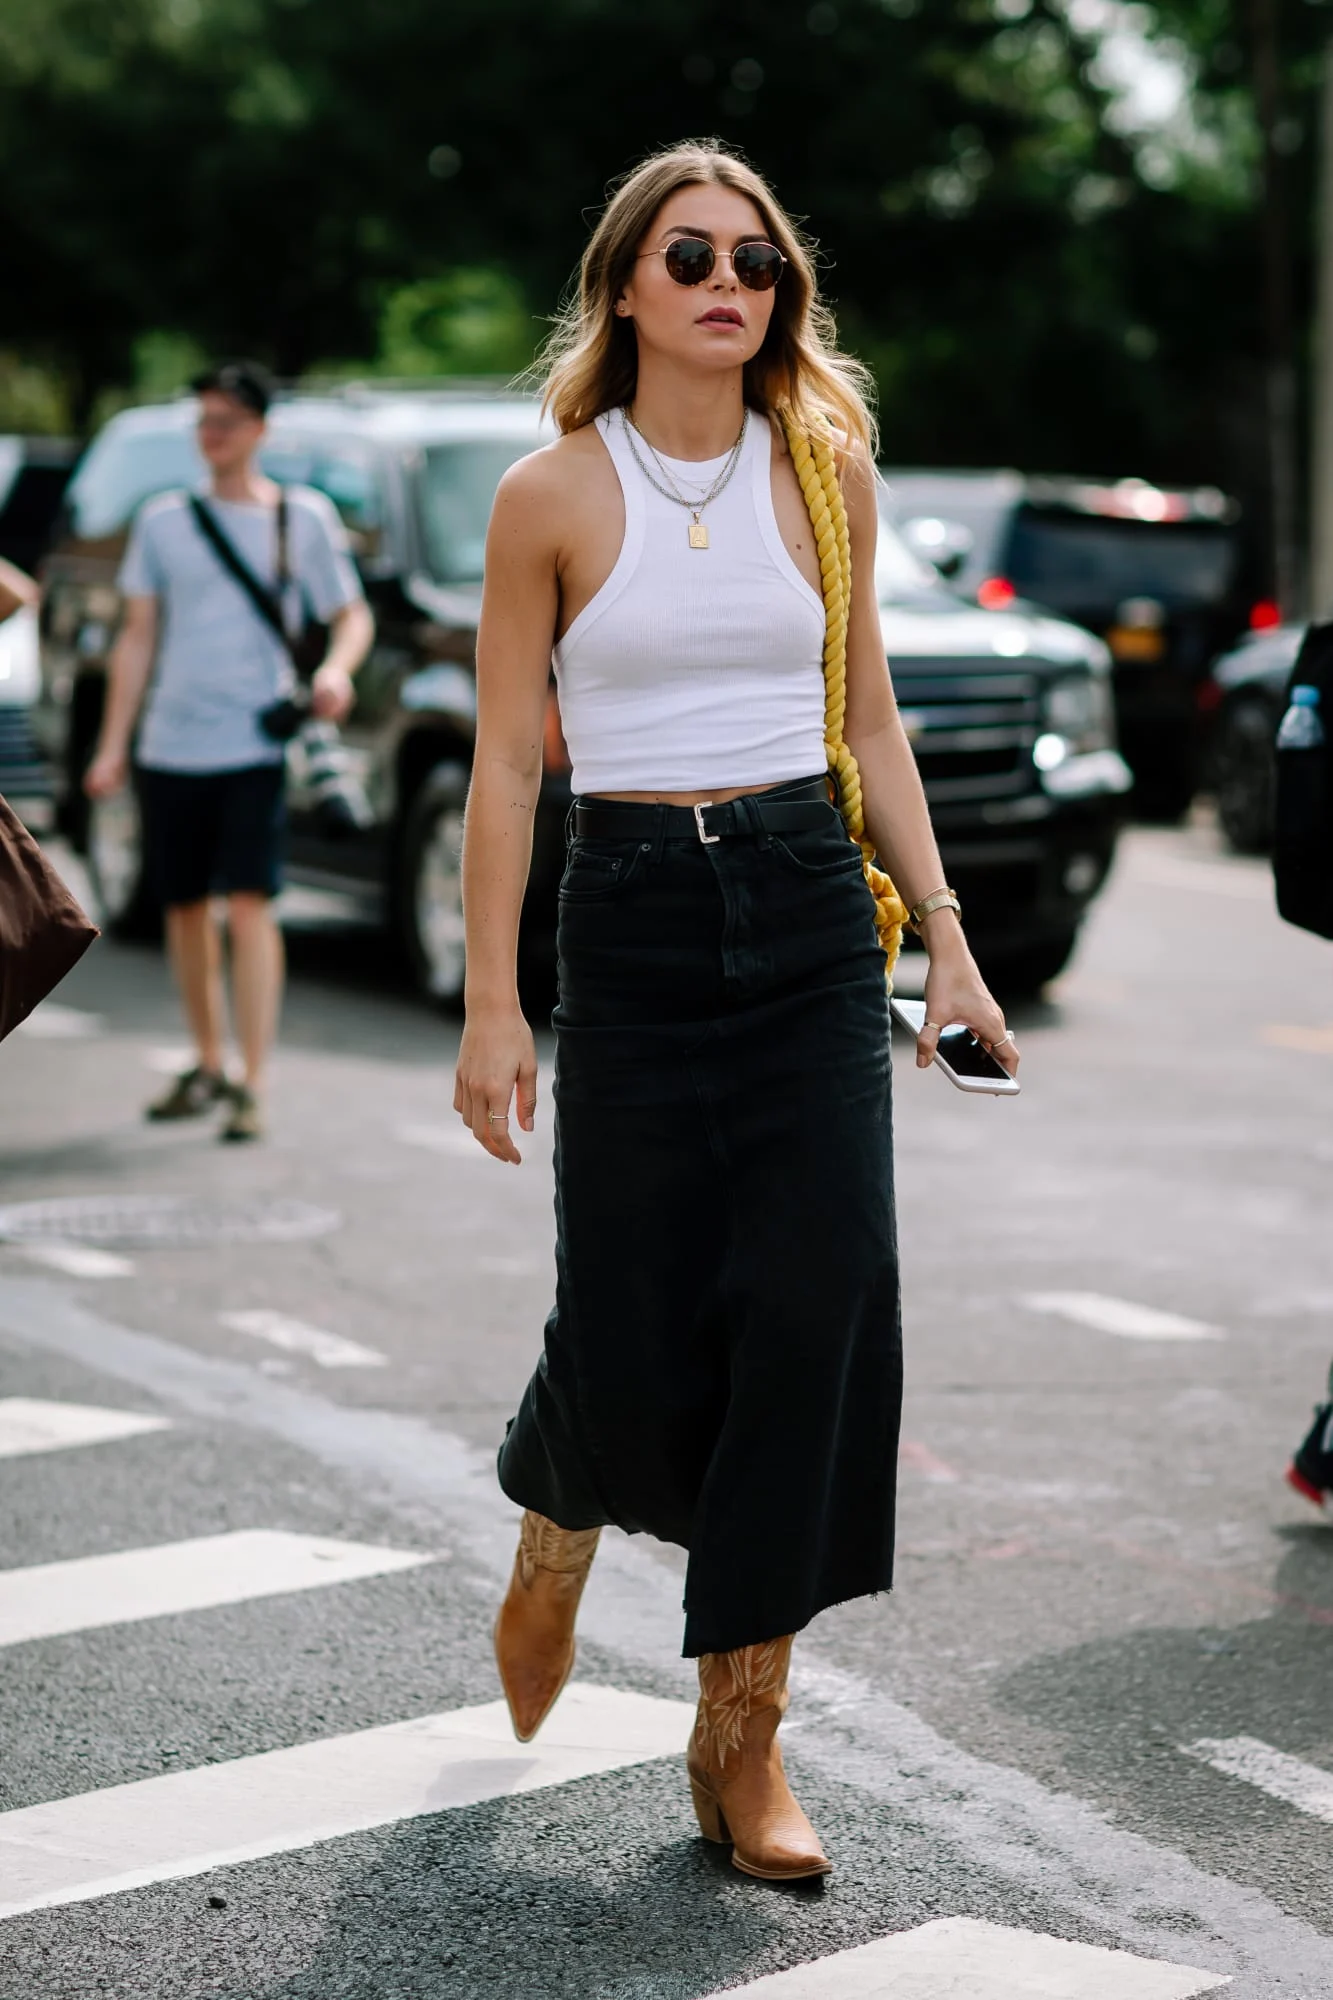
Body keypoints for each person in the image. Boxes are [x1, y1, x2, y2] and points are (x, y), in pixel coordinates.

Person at [454, 140, 1019, 1883]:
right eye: (689, 253)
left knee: (815, 1300)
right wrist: (491, 1002)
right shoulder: (547, 494)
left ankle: (740, 1732)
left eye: (758, 262)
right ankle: (558, 1526)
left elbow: (869, 726)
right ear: (625, 280)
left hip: (799, 908)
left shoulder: (823, 468)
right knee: (633, 1312)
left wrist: (946, 944)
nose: (728, 282)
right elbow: (497, 764)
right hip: (624, 915)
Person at [84, 360, 374, 1140]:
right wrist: (112, 746)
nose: (212, 435)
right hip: (169, 744)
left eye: (226, 422)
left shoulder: (300, 518)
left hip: (253, 742)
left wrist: (336, 673)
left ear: (260, 432)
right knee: (184, 909)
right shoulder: (163, 521)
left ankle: (253, 1078)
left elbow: (350, 615)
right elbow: (137, 637)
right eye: (204, 421)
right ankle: (208, 1062)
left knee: (251, 906)